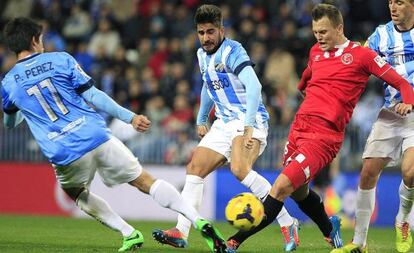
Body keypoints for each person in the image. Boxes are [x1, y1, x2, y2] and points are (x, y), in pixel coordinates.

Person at [1, 17, 227, 253]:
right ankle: (197, 219)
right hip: (96, 135)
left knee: (77, 193)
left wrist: (24, 110)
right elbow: (94, 96)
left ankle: (128, 233)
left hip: (64, 151)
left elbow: (9, 122)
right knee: (144, 181)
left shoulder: (8, 83)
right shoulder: (61, 59)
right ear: (35, 40)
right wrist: (130, 117)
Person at [223, 3, 414, 253]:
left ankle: (234, 241)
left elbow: (401, 82)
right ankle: (329, 228)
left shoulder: (362, 56)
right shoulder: (315, 51)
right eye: (315, 32)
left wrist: (408, 101)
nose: (319, 37)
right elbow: (308, 74)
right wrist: (303, 86)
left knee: (280, 188)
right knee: (298, 193)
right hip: (299, 128)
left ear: (339, 28)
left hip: (324, 136)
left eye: (323, 32)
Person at [152, 4, 300, 252]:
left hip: (248, 119)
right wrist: (201, 118)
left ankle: (288, 222)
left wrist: (249, 125)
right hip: (223, 122)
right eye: (201, 32)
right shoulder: (202, 55)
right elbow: (209, 86)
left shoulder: (233, 51)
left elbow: (254, 87)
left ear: (221, 30)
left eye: (211, 32)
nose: (206, 38)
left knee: (240, 169)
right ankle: (181, 230)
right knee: (194, 168)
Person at [331, 1, 414, 253]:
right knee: (367, 171)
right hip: (390, 113)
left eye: (399, 1)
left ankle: (402, 221)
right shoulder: (381, 34)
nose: (393, 6)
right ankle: (359, 243)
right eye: (390, 2)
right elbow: (360, 63)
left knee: (410, 172)